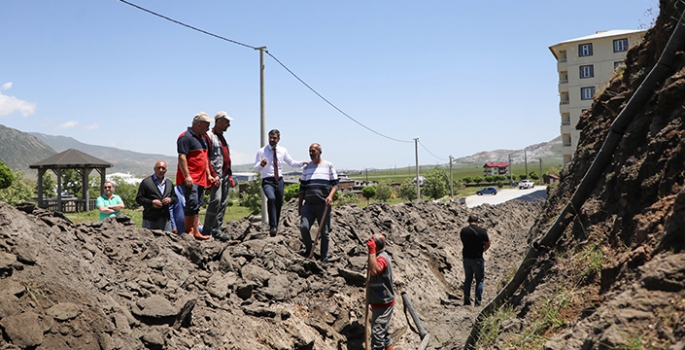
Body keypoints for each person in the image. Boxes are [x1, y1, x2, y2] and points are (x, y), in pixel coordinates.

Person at [254, 129, 307, 236]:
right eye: (270, 137)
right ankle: (272, 226)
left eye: (274, 138)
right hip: (267, 180)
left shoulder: (283, 151)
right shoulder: (261, 151)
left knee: (278, 203)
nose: (272, 140)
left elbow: (291, 163)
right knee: (271, 198)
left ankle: (275, 227)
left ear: (278, 139)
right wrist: (261, 165)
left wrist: (303, 163)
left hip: (279, 181)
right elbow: (256, 169)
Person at [298, 143, 337, 268]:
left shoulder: (328, 166)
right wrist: (300, 205)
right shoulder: (306, 168)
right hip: (308, 205)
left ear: (319, 152)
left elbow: (335, 184)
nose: (311, 153)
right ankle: (310, 250)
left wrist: (330, 196)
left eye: (313, 151)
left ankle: (324, 258)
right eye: (309, 151)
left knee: (324, 233)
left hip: (323, 205)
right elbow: (302, 188)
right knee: (304, 227)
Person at [177, 111, 215, 240]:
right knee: (191, 202)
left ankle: (196, 231)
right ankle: (189, 231)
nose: (208, 128)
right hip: (191, 178)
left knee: (198, 203)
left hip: (201, 178)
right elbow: (182, 157)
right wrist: (187, 176)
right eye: (206, 125)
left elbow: (204, 158)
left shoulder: (203, 138)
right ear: (198, 125)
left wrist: (208, 175)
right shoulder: (185, 137)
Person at [202, 111, 235, 242]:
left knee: (223, 203)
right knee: (215, 201)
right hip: (216, 176)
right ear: (219, 122)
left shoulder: (222, 137)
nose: (229, 125)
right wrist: (212, 175)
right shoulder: (209, 136)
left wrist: (230, 175)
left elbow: (225, 158)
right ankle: (207, 230)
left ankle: (217, 230)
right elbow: (206, 158)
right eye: (227, 122)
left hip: (225, 175)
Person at [366, 233, 395, 350]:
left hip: (384, 302)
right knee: (384, 333)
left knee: (378, 335)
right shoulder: (379, 255)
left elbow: (374, 270)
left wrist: (372, 250)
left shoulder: (382, 257)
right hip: (380, 300)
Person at [135, 160, 177, 231]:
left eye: (163, 168)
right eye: (159, 168)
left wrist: (170, 200)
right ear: (154, 169)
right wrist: (151, 202)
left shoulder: (169, 183)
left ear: (166, 170)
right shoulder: (146, 182)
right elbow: (139, 199)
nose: (161, 170)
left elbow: (174, 197)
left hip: (165, 219)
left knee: (166, 240)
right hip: (150, 219)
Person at [460, 214, 490, 306]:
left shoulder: (463, 231)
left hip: (466, 258)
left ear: (469, 221)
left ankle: (466, 301)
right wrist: (482, 250)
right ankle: (477, 302)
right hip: (477, 258)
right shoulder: (482, 231)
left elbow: (463, 242)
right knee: (479, 280)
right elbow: (488, 244)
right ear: (477, 221)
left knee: (468, 280)